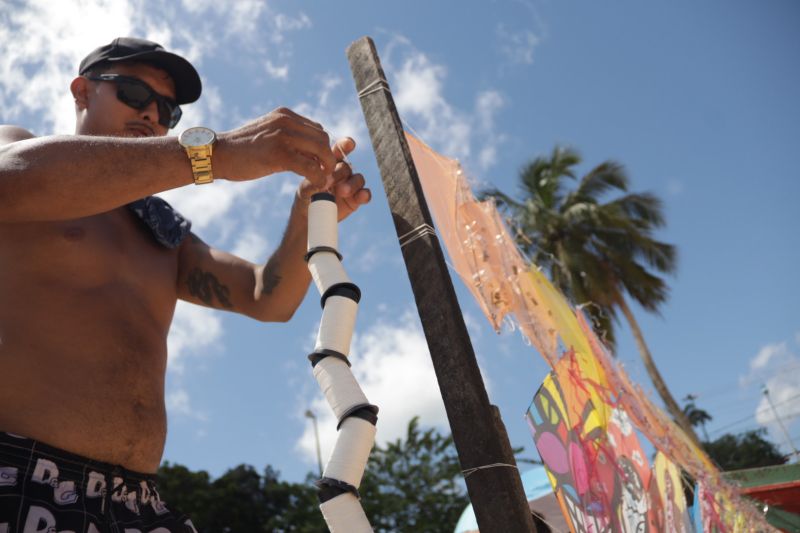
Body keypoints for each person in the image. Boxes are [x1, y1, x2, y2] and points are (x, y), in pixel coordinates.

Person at [0, 37, 370, 532]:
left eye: (169, 111)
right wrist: (211, 155)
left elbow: (266, 297)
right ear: (82, 92)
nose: (152, 112)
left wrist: (308, 210)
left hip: (140, 504)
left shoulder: (161, 228)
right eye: (133, 92)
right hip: (17, 473)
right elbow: (10, 178)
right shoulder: (21, 147)